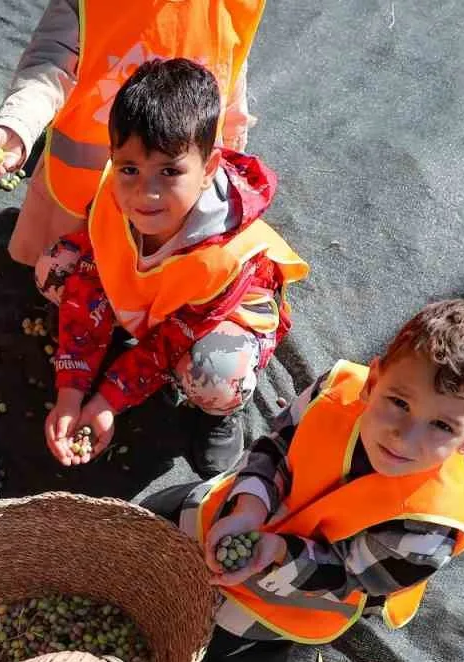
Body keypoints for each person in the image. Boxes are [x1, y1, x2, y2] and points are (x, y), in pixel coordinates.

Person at [182, 299, 464, 645]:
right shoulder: (336, 389)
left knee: (221, 624)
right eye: (399, 403)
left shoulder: (431, 530)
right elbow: (276, 446)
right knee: (181, 521)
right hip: (268, 514)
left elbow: (344, 574)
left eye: (441, 426)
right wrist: (248, 509)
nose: (404, 437)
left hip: (321, 575)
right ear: (373, 382)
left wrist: (276, 552)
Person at [36, 59, 308, 477]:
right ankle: (111, 341)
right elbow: (88, 280)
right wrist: (71, 390)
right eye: (130, 169)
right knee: (55, 270)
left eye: (170, 171)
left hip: (210, 320)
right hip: (151, 294)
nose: (147, 193)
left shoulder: (225, 258)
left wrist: (108, 400)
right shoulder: (113, 196)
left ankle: (220, 414)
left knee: (214, 375)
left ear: (209, 169)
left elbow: (172, 339)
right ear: (115, 159)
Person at [0, 0, 267, 267]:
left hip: (177, 197)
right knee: (69, 271)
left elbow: (230, 70)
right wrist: (19, 122)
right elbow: (50, 63)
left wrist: (232, 144)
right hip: (86, 190)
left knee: (153, 275)